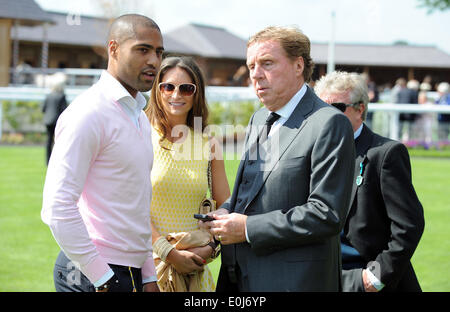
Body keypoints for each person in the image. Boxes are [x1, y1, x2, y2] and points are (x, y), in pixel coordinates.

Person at [205, 26, 355, 292]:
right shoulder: (259, 118)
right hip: (238, 276)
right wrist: (226, 211)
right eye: (251, 66)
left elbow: (326, 213)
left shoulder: (329, 123)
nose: (255, 75)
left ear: (299, 65)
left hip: (293, 282)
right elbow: (248, 192)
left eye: (267, 63)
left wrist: (249, 228)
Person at [41, 14, 164, 292]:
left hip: (130, 272)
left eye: (158, 52)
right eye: (142, 49)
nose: (154, 61)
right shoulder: (88, 113)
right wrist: (102, 279)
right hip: (93, 274)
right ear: (114, 49)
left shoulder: (139, 116)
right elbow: (57, 208)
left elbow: (136, 205)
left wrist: (148, 275)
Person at [315, 71, 425, 292]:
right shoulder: (313, 153)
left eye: (336, 108)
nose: (327, 116)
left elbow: (408, 226)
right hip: (320, 276)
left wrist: (375, 277)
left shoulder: (385, 154)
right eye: (321, 108)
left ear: (360, 109)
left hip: (363, 278)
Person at [145, 56, 230, 291]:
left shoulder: (208, 143)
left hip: (194, 272)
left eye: (186, 88)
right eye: (168, 86)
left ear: (196, 93)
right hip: (147, 271)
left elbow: (225, 206)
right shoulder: (139, 133)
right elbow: (128, 205)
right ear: (157, 90)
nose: (176, 95)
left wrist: (210, 248)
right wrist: (168, 252)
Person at [42, 72, 68, 164]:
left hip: (47, 120)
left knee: (49, 141)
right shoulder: (62, 96)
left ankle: (47, 161)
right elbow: (65, 110)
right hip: (57, 121)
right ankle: (56, 160)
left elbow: (43, 109)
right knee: (58, 141)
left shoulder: (48, 95)